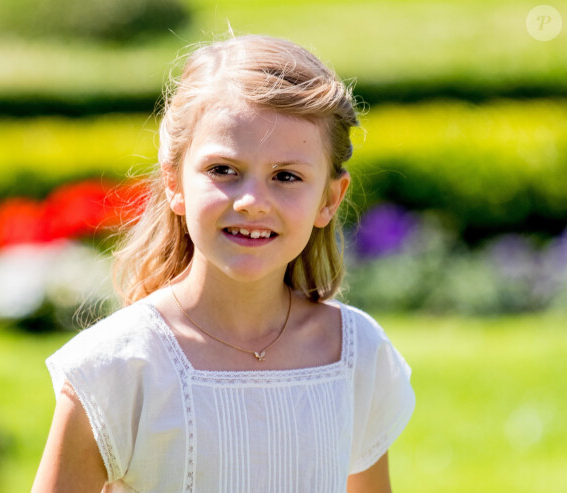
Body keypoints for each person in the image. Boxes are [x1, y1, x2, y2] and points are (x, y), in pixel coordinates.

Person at [32, 34, 415, 493]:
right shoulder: (115, 369)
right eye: (224, 170)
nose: (253, 201)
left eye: (286, 176)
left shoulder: (355, 355)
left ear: (329, 199)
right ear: (174, 182)